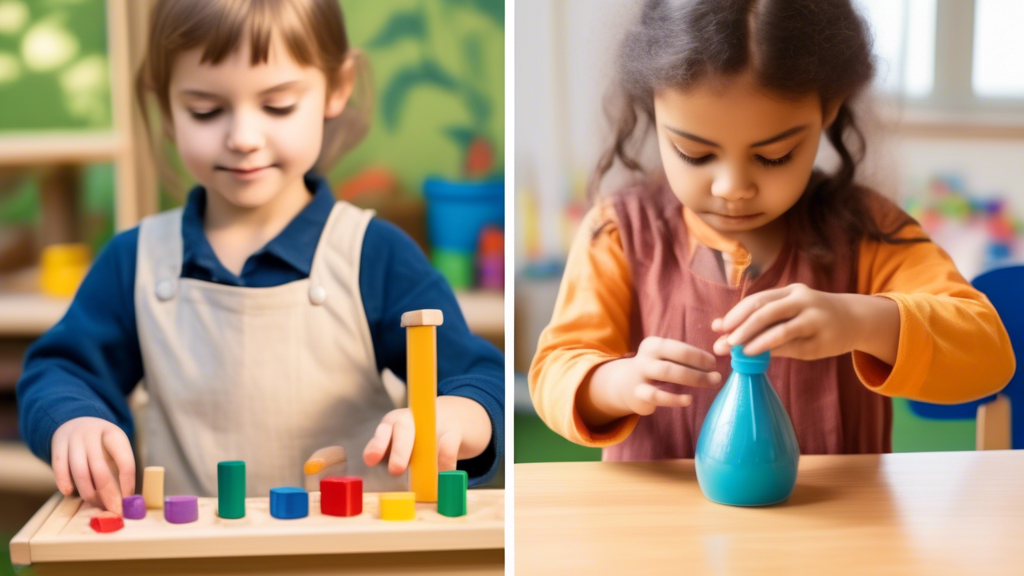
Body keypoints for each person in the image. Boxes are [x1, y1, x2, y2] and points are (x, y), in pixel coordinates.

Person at [17, 0, 503, 515]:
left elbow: (476, 374)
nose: (243, 139)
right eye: (205, 109)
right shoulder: (135, 260)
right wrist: (73, 419)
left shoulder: (373, 254)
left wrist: (463, 413)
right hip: (192, 559)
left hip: (351, 556)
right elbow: (60, 372)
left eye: (278, 106)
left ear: (336, 89)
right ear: (166, 106)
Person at [530, 0, 1014, 462]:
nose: (733, 187)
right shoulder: (619, 233)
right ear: (654, 106)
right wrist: (615, 382)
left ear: (828, 108)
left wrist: (862, 321)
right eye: (695, 154)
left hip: (833, 536)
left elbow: (988, 354)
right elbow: (555, 368)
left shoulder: (869, 232)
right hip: (661, 538)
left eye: (773, 156)